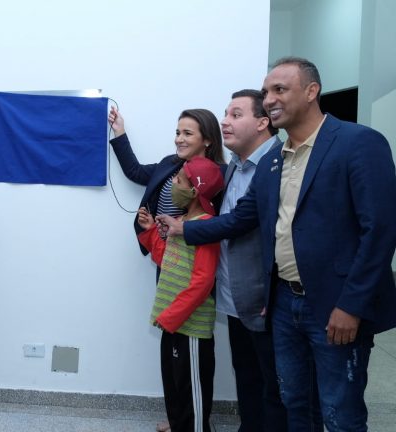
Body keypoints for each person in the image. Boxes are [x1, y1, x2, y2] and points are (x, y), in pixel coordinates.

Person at [160, 57, 396, 430]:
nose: (269, 98)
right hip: (284, 305)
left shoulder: (358, 143)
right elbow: (241, 218)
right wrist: (184, 229)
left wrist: (352, 305)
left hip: (334, 304)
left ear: (312, 91)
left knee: (339, 413)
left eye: (280, 89)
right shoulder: (276, 160)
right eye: (266, 91)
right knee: (293, 404)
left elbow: (380, 231)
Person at [217, 89, 292, 432]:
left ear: (263, 123)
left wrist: (185, 229)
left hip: (268, 302)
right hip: (236, 299)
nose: (225, 122)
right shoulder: (234, 166)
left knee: (276, 388)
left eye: (236, 115)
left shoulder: (281, 163)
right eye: (225, 114)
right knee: (247, 377)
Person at [136, 156, 224, 432]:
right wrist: (151, 232)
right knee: (174, 387)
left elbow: (202, 282)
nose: (173, 182)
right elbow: (167, 259)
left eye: (179, 179)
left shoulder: (206, 226)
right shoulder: (181, 221)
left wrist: (171, 316)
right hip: (172, 323)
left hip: (190, 328)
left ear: (194, 191)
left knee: (191, 392)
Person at [108, 107, 225, 252]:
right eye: (178, 133)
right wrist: (119, 130)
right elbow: (135, 172)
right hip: (161, 250)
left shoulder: (219, 174)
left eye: (187, 133)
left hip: (192, 254)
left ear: (207, 139)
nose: (178, 139)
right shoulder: (170, 163)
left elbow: (220, 222)